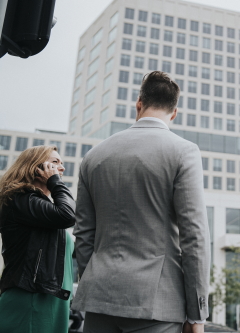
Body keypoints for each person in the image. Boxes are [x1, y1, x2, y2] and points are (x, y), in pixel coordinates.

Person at [72, 71, 211, 333]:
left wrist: (96, 281)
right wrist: (196, 314)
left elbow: (83, 233)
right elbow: (194, 237)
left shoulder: (94, 156)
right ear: (174, 113)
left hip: (99, 301)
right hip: (158, 305)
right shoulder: (183, 152)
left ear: (138, 104)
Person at [0, 145, 76, 332]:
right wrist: (56, 183)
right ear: (35, 167)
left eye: (62, 163)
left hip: (53, 298)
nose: (62, 168)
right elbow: (67, 215)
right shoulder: (20, 199)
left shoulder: (39, 205)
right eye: (55, 162)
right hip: (32, 298)